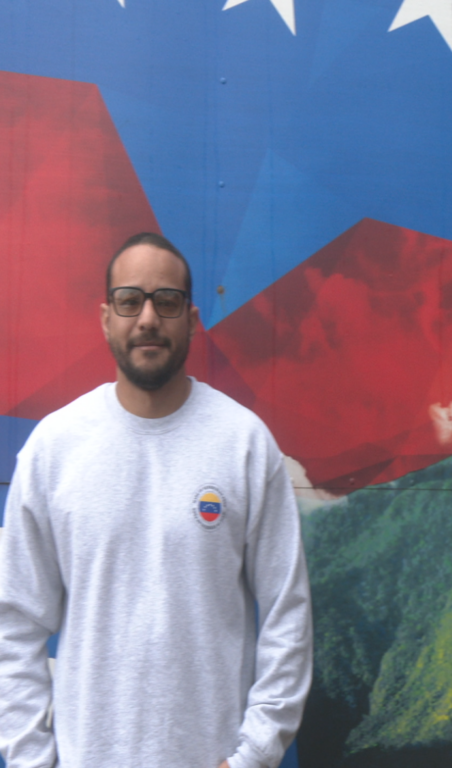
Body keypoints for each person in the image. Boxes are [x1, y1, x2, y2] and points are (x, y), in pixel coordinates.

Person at [0, 233, 313, 768]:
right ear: (105, 318)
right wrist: (30, 760)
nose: (147, 318)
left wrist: (255, 754)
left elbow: (288, 610)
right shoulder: (54, 449)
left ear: (191, 320)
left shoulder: (243, 442)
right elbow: (15, 624)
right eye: (129, 300)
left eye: (165, 301)